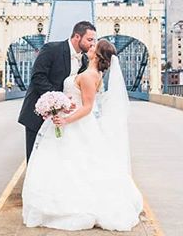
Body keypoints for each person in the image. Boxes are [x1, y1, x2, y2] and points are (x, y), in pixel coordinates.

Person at [22, 39, 143, 231]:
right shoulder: (92, 73)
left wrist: (65, 120)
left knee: (74, 165)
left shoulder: (88, 76)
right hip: (76, 122)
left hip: (76, 125)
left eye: (94, 46)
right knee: (73, 165)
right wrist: (65, 104)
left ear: (98, 54)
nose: (90, 47)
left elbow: (87, 108)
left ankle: (72, 205)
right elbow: (81, 101)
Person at [18, 21, 97, 162]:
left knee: (54, 160)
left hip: (61, 120)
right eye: (89, 40)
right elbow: (38, 77)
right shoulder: (51, 49)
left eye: (94, 40)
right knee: (35, 159)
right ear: (77, 37)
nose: (92, 44)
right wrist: (59, 100)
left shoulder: (84, 60)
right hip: (38, 114)